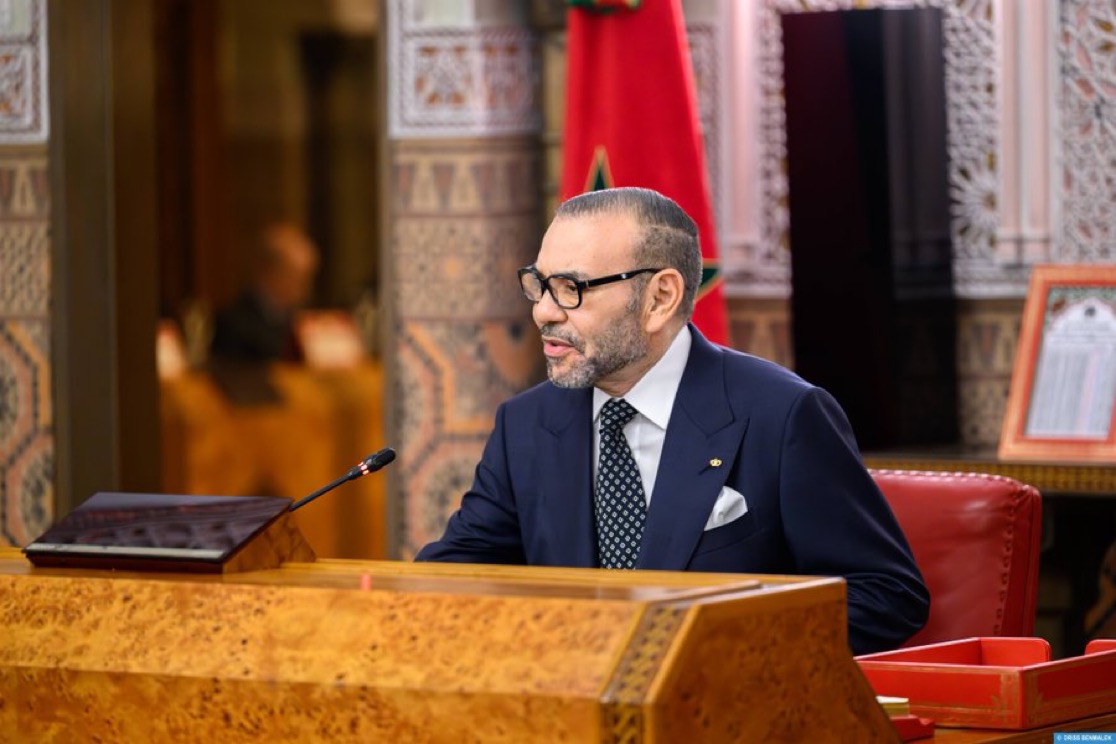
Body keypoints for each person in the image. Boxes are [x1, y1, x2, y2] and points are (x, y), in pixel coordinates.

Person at [415, 186, 929, 655]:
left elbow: (885, 593)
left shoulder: (783, 415)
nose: (544, 312)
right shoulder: (526, 423)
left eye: (571, 287)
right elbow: (459, 573)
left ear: (660, 297)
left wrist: (713, 652)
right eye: (539, 285)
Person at [209, 221, 320, 365]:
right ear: (268, 272)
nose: (304, 288)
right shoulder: (233, 322)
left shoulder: (303, 317)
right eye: (295, 277)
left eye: (307, 278)